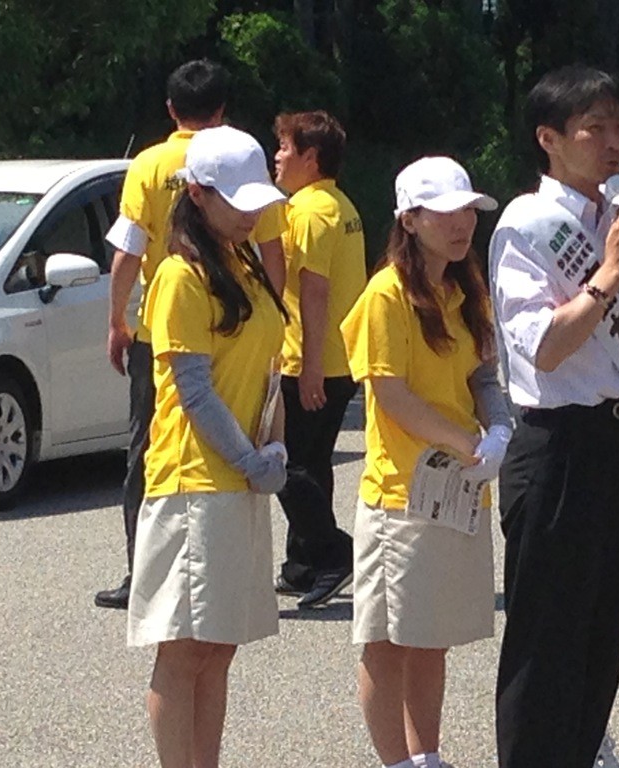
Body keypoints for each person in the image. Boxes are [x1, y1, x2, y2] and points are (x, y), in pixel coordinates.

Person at [489, 65, 619, 768]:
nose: (613, 142)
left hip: (616, 448)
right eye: (593, 128)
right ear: (549, 139)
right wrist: (609, 271)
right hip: (557, 446)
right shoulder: (528, 224)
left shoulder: (617, 219)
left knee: (599, 636)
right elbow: (545, 349)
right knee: (546, 641)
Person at [96, 59, 286, 610]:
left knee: (143, 445)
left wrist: (118, 320)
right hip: (210, 321)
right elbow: (273, 251)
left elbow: (127, 252)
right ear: (222, 110)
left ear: (171, 109)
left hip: (158, 329)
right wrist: (264, 311)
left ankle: (138, 568)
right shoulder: (239, 164)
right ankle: (160, 569)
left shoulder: (149, 164)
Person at [126, 125, 289, 768]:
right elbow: (193, 390)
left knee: (219, 645)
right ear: (196, 193)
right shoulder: (178, 274)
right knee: (186, 647)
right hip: (194, 481)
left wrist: (272, 450)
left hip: (240, 479)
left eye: (257, 200)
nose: (251, 213)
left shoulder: (241, 262)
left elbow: (265, 370)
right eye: (237, 200)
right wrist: (252, 460)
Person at [340, 156, 510, 768]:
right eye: (444, 213)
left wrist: (499, 426)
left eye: (468, 210)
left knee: (430, 636)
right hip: (401, 495)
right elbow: (391, 395)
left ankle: (426, 755)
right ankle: (396, 761)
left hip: (459, 488)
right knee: (387, 641)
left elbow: (481, 373)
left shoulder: (466, 290)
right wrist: (472, 445)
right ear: (409, 219)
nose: (461, 223)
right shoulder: (386, 292)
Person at [271, 110, 367, 609]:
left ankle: (335, 553)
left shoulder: (307, 212)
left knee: (283, 464)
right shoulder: (340, 205)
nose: (278, 157)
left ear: (311, 157)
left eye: (286, 148)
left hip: (312, 360)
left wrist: (308, 366)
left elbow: (315, 290)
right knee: (313, 462)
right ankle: (302, 563)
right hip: (340, 358)